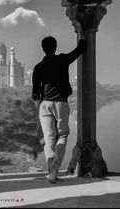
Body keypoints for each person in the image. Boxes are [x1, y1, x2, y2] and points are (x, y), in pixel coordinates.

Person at [32, 20, 86, 183]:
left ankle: (51, 170)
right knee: (62, 136)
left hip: (44, 105)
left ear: (43, 48)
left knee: (49, 140)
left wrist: (39, 110)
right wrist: (80, 29)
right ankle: (55, 168)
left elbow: (35, 94)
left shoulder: (38, 67)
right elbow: (81, 48)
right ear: (55, 47)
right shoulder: (62, 60)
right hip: (61, 104)